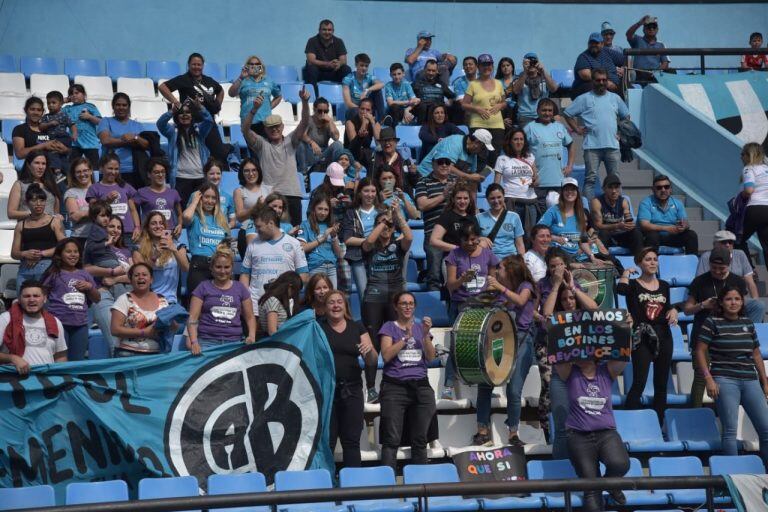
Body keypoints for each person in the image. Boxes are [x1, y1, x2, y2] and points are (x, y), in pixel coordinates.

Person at [695, 285, 768, 467]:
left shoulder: (748, 323)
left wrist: (764, 381)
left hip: (750, 380)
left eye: (737, 299)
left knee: (766, 429)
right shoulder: (712, 322)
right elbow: (700, 351)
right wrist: (709, 378)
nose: (733, 302)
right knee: (730, 431)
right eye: (729, 299)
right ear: (721, 302)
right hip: (725, 380)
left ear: (742, 301)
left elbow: (756, 354)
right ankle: (733, 474)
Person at [685, 247, 765, 407]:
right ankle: (695, 412)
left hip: (729, 335)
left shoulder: (737, 281)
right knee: (701, 375)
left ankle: (723, 409)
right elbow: (687, 310)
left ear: (729, 265)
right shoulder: (700, 282)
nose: (717, 272)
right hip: (703, 334)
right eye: (713, 268)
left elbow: (740, 307)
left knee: (729, 376)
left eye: (722, 269)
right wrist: (703, 305)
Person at [538, 248, 598, 457]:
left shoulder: (579, 300)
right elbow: (546, 314)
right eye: (552, 266)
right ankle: (561, 471)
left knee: (586, 425)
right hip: (560, 371)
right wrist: (556, 287)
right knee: (563, 426)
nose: (569, 301)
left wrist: (572, 287)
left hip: (583, 372)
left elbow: (596, 310)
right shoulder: (546, 290)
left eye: (559, 265)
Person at [472, 255, 536, 445]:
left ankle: (513, 433)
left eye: (500, 268)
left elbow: (521, 301)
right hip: (497, 341)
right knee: (485, 385)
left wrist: (500, 288)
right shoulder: (496, 290)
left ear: (510, 270)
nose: (496, 271)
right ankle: (482, 431)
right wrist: (487, 293)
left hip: (521, 341)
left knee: (514, 390)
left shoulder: (526, 286)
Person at [554, 356, 630, 512]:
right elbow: (557, 353)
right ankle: (610, 485)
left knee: (621, 464)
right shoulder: (570, 372)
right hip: (578, 437)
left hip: (606, 434)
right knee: (591, 490)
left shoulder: (607, 371)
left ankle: (611, 484)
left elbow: (624, 353)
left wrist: (627, 331)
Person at [617, 248, 677, 422]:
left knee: (661, 385)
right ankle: (631, 422)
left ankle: (658, 424)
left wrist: (673, 310)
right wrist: (626, 273)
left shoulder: (664, 285)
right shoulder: (633, 285)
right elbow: (621, 290)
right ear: (639, 263)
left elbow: (668, 307)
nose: (652, 262)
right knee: (639, 382)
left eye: (655, 259)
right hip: (642, 336)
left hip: (664, 335)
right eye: (648, 259)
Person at [379, 292, 436, 470]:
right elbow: (386, 355)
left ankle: (420, 484)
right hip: (395, 387)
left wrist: (426, 335)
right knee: (391, 439)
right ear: (396, 306)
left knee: (420, 439)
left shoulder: (421, 328)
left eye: (411, 303)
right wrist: (405, 338)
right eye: (403, 303)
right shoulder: (389, 327)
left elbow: (431, 356)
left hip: (420, 385)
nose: (407, 306)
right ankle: (387, 486)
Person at [320, 289, 377, 467]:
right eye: (331, 302)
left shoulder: (357, 327)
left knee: (351, 442)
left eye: (339, 302)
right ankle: (325, 488)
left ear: (345, 306)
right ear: (325, 306)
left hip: (352, 391)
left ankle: (354, 489)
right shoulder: (318, 327)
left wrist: (368, 352)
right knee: (327, 442)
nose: (336, 305)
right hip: (326, 393)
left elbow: (373, 359)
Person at [361, 208, 413, 402]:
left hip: (395, 299)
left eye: (389, 226)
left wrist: (397, 217)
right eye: (382, 224)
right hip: (373, 298)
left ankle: (396, 384)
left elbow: (409, 236)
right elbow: (367, 243)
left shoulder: (398, 245)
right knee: (372, 344)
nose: (386, 228)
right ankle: (371, 388)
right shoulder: (369, 246)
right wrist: (384, 221)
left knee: (398, 341)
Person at [444, 222, 500, 398]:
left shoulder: (488, 255)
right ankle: (448, 386)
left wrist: (490, 294)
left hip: (483, 306)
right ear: (460, 239)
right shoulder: (453, 256)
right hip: (461, 305)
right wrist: (462, 279)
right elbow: (450, 287)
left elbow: (493, 282)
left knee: (485, 347)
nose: (470, 243)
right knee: (457, 348)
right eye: (466, 240)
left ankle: (487, 386)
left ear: (479, 238)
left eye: (473, 239)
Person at [242, 87, 312, 226]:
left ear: (282, 126)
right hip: (270, 196)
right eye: (271, 127)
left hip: (292, 194)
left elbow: (304, 122)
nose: (274, 129)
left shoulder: (291, 141)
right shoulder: (261, 145)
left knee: (294, 233)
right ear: (265, 129)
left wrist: (304, 102)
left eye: (277, 126)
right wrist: (254, 110)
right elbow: (245, 129)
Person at [564, 68, 629, 200]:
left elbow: (626, 116)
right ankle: (588, 210)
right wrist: (577, 129)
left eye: (604, 80)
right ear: (593, 81)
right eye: (598, 80)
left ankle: (615, 209)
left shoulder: (615, 98)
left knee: (614, 180)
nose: (601, 82)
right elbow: (567, 113)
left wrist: (621, 133)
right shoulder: (584, 98)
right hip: (592, 147)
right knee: (590, 180)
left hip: (612, 145)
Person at [158, 53, 231, 163]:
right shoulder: (183, 79)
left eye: (199, 64)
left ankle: (229, 150)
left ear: (202, 66)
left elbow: (220, 90)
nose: (196, 67)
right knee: (193, 155)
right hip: (189, 123)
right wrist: (176, 102)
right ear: (188, 65)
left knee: (219, 153)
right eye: (194, 64)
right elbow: (162, 87)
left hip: (207, 122)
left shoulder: (209, 80)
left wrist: (217, 105)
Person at [240, 207, 308, 322]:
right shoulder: (253, 244)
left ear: (270, 224)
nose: (256, 231)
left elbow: (304, 276)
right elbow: (245, 275)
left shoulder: (294, 243)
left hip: (284, 310)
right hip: (256, 309)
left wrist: (285, 292)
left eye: (259, 227)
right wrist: (246, 298)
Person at [187, 243, 256, 352]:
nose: (223, 271)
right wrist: (194, 342)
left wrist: (251, 336)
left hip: (234, 342)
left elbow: (250, 317)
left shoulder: (240, 288)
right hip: (207, 342)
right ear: (211, 268)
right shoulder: (203, 287)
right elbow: (192, 318)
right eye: (218, 267)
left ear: (232, 267)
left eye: (226, 267)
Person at [84, 204, 132, 356]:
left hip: (124, 292)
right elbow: (86, 269)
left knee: (129, 343)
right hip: (102, 293)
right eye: (112, 226)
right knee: (115, 343)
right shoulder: (96, 244)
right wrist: (110, 271)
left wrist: (115, 279)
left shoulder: (126, 250)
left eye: (119, 227)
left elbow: (135, 276)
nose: (115, 230)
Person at [40, 238, 99, 361]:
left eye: (76, 251)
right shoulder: (53, 273)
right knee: (59, 361)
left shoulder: (85, 274)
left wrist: (90, 287)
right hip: (59, 324)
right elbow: (42, 295)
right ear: (60, 254)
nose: (73, 255)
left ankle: (74, 381)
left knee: (77, 361)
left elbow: (97, 298)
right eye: (68, 251)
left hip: (80, 325)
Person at [0, 280, 67, 373]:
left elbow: (60, 356)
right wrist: (13, 358)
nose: (32, 299)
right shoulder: (6, 318)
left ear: (44, 298)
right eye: (27, 296)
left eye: (36, 296)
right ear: (19, 299)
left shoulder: (55, 322)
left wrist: (61, 377)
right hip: (14, 379)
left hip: (47, 380)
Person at [11, 184, 66, 293]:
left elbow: (64, 246)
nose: (38, 204)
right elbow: (14, 253)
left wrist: (41, 254)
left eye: (42, 200)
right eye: (34, 200)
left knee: (46, 304)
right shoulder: (20, 225)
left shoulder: (54, 222)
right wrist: (25, 254)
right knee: (24, 303)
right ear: (27, 203)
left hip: (48, 267)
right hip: (25, 269)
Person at [156, 99, 214, 201]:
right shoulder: (172, 131)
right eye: (181, 113)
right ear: (177, 116)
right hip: (180, 177)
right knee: (182, 210)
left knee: (199, 210)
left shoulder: (199, 130)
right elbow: (160, 123)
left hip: (200, 176)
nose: (184, 115)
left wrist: (200, 107)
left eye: (188, 112)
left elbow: (209, 120)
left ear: (192, 115)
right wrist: (172, 111)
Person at [524, 99, 575, 213]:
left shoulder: (559, 127)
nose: (547, 113)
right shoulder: (530, 128)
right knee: (541, 215)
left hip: (558, 180)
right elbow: (522, 150)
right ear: (537, 111)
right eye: (544, 110)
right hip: (539, 182)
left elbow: (571, 144)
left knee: (558, 213)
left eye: (550, 110)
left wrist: (570, 165)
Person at [110, 262, 169, 357]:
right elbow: (115, 329)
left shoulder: (162, 300)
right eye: (136, 275)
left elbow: (170, 326)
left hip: (157, 355)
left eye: (144, 275)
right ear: (130, 280)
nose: (141, 277)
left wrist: (173, 326)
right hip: (128, 354)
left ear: (151, 280)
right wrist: (143, 333)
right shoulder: (124, 299)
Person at [182, 182, 230, 298]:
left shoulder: (222, 220)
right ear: (200, 198)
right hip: (199, 266)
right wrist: (195, 200)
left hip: (219, 267)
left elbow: (227, 244)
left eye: (214, 198)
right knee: (197, 307)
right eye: (206, 197)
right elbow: (186, 217)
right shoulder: (195, 217)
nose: (210, 201)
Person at [132, 211, 189, 305]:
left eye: (161, 223)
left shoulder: (177, 246)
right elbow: (141, 272)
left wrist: (173, 249)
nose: (158, 226)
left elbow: (185, 268)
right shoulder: (138, 249)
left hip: (171, 301)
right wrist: (155, 255)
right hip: (148, 299)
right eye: (153, 223)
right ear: (148, 227)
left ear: (165, 226)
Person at [415, 153, 454, 290]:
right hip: (433, 234)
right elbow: (422, 205)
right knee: (434, 276)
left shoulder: (457, 181)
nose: (444, 165)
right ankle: (436, 308)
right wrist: (444, 195)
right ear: (433, 164)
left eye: (447, 162)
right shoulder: (423, 182)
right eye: (440, 162)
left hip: (454, 234)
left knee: (457, 274)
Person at [539, 177, 601, 262]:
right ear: (562, 192)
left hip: (576, 257)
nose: (570, 192)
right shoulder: (553, 211)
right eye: (566, 189)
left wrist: (592, 257)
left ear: (577, 192)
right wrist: (554, 237)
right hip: (557, 257)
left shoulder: (580, 214)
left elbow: (583, 241)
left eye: (573, 189)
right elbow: (538, 231)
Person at [86, 153, 140, 248]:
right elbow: (93, 210)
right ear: (101, 168)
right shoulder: (94, 188)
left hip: (128, 232)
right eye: (110, 168)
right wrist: (106, 201)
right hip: (106, 233)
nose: (113, 172)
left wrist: (137, 227)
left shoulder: (125, 186)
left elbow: (133, 210)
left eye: (116, 169)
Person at [97, 93, 149, 187]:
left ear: (129, 107)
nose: (121, 107)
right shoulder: (105, 121)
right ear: (113, 106)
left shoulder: (138, 125)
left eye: (124, 105)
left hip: (135, 171)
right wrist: (126, 141)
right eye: (118, 104)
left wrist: (135, 137)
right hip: (110, 171)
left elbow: (146, 144)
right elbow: (105, 141)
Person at [342, 177, 382, 300]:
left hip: (379, 256)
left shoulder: (382, 210)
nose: (370, 195)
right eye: (366, 191)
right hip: (358, 255)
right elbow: (348, 239)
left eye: (373, 191)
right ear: (359, 193)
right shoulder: (351, 212)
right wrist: (368, 242)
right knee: (364, 295)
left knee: (380, 295)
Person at [637, 174, 698, 254]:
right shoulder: (646, 203)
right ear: (653, 189)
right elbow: (644, 225)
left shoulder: (677, 203)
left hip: (672, 236)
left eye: (666, 187)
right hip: (653, 236)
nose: (663, 190)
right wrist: (666, 228)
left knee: (691, 235)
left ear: (670, 189)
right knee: (653, 236)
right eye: (659, 188)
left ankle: (692, 264)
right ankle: (651, 264)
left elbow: (686, 223)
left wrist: (683, 226)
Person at [462, 54, 505, 165]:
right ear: (478, 67)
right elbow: (464, 104)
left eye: (489, 64)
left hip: (497, 126)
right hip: (478, 125)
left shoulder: (499, 83)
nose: (486, 67)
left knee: (494, 158)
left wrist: (500, 106)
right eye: (483, 65)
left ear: (492, 66)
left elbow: (504, 102)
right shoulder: (473, 84)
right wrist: (477, 109)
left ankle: (491, 182)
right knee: (479, 158)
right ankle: (478, 181)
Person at [494, 128, 539, 231]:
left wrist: (535, 182)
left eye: (521, 139)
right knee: (512, 233)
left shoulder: (530, 157)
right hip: (511, 201)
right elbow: (496, 184)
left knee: (530, 235)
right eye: (515, 139)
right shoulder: (502, 159)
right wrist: (500, 201)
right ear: (509, 141)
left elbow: (536, 178)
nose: (519, 142)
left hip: (530, 202)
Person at [228, 55, 282, 136]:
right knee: (253, 148)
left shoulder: (269, 80)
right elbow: (231, 93)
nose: (254, 66)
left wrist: (269, 107)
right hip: (248, 122)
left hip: (266, 122)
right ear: (247, 66)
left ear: (261, 66)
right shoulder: (243, 80)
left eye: (257, 64)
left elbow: (278, 96)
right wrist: (241, 77)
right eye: (251, 64)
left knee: (266, 148)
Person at [590, 174, 643, 255]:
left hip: (619, 235)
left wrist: (629, 225)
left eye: (616, 187)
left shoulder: (623, 201)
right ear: (604, 189)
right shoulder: (597, 202)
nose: (614, 191)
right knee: (602, 233)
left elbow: (628, 219)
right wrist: (617, 226)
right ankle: (603, 261)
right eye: (610, 187)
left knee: (636, 232)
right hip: (604, 235)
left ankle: (640, 259)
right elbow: (598, 225)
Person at [697, 230, 759, 300]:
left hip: (737, 298)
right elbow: (700, 282)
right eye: (723, 242)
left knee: (758, 306)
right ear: (714, 244)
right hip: (715, 297)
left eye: (730, 242)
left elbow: (750, 282)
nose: (727, 245)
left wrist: (755, 300)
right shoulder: (706, 257)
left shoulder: (740, 254)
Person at [298, 195, 344, 287]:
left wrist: (334, 236)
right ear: (313, 209)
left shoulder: (330, 225)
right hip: (315, 266)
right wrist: (322, 238)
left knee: (331, 299)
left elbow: (340, 254)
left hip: (331, 267)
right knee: (316, 298)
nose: (323, 213)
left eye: (326, 209)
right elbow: (301, 248)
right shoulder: (305, 224)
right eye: (320, 209)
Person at [11, 96, 65, 172]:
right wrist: (44, 145)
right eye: (32, 109)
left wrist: (62, 148)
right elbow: (20, 154)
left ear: (42, 112)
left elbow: (66, 150)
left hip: (52, 173)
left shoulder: (49, 128)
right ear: (25, 110)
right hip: (31, 173)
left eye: (39, 110)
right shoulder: (20, 129)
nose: (36, 113)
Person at [134, 157, 183, 236]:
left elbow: (180, 214)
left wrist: (180, 224)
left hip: (169, 235)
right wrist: (137, 226)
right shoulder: (141, 192)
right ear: (149, 174)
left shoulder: (173, 192)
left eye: (163, 172)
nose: (160, 175)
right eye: (156, 172)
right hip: (149, 235)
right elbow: (132, 209)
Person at [429, 181, 481, 255]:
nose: (462, 201)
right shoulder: (446, 216)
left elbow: (477, 239)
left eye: (465, 198)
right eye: (459, 198)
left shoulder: (472, 218)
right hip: (452, 259)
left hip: (470, 259)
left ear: (469, 200)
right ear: (453, 199)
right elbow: (433, 241)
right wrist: (458, 249)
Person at [417, 132, 492, 182]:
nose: (483, 151)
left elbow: (472, 179)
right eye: (483, 148)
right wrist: (469, 177)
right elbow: (446, 168)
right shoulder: (454, 143)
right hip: (425, 177)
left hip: (445, 182)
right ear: (477, 142)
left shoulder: (474, 153)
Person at [8, 150, 61, 220]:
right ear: (28, 165)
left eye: (43, 164)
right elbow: (11, 213)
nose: (41, 167)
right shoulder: (19, 185)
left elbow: (56, 212)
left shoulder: (51, 185)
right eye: (37, 163)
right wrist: (33, 213)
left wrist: (58, 217)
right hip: (28, 227)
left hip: (50, 228)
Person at [477, 183, 526, 259]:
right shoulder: (479, 218)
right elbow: (472, 240)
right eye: (492, 198)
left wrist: (522, 262)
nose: (496, 201)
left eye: (499, 197)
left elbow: (519, 244)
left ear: (504, 197)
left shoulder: (514, 217)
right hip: (488, 260)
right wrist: (480, 239)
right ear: (487, 199)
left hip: (511, 261)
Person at [739, 143, 768, 268]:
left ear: (748, 155)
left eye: (742, 154)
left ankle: (750, 271)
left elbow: (749, 190)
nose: (741, 157)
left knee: (736, 239)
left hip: (756, 209)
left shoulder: (749, 169)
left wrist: (741, 196)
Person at [512, 53, 559, 127]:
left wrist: (543, 71)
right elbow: (515, 91)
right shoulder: (519, 78)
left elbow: (554, 89)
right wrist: (525, 71)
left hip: (543, 115)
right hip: (525, 116)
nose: (531, 64)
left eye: (534, 62)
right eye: (529, 62)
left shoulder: (545, 77)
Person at [297, 97, 342, 174]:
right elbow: (301, 134)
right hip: (309, 153)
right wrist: (312, 142)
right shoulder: (308, 119)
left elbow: (336, 138)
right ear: (314, 109)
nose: (323, 114)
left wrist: (330, 122)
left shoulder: (328, 122)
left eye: (325, 111)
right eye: (320, 111)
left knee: (338, 144)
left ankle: (335, 171)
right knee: (299, 143)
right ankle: (304, 173)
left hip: (323, 153)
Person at [303, 19, 352, 88]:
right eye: (324, 29)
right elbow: (310, 61)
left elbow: (344, 60)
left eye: (329, 30)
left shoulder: (339, 41)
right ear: (319, 30)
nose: (327, 32)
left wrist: (339, 63)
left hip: (334, 72)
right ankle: (314, 97)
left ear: (333, 31)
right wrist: (328, 64)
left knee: (346, 69)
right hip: (318, 73)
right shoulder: (312, 41)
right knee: (311, 69)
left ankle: (346, 96)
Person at [570, 33, 621, 98]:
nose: (593, 45)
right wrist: (607, 83)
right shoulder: (583, 57)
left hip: (614, 90)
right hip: (590, 91)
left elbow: (625, 58)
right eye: (591, 43)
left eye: (596, 43)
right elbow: (585, 75)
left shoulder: (608, 52)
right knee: (592, 85)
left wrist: (623, 68)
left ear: (602, 44)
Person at [63, 83, 102, 168]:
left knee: (94, 168)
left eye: (77, 93)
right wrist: (64, 100)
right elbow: (55, 109)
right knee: (72, 168)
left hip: (90, 143)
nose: (74, 95)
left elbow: (100, 122)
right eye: (71, 94)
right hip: (74, 144)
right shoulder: (67, 108)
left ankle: (95, 182)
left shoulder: (90, 106)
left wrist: (90, 117)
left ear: (84, 95)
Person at [373, 127, 419, 195]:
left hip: (403, 200)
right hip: (381, 200)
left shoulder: (406, 161)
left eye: (389, 140)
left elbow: (417, 185)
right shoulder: (373, 159)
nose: (387, 143)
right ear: (380, 143)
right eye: (384, 140)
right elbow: (355, 151)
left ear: (396, 142)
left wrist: (414, 174)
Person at [626, 15, 670, 84]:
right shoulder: (637, 40)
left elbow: (665, 63)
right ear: (644, 30)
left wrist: (656, 72)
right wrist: (639, 23)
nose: (651, 29)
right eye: (649, 27)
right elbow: (628, 34)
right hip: (638, 77)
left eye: (654, 27)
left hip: (654, 78)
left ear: (657, 30)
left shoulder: (661, 45)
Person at [258, 271, 303, 337]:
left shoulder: (275, 300)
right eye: (295, 291)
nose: (294, 295)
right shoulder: (272, 300)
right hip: (275, 343)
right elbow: (272, 331)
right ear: (289, 287)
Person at [233, 157, 272, 234]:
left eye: (254, 170)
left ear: (258, 171)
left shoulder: (269, 190)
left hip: (268, 228)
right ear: (242, 173)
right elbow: (240, 217)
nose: (251, 174)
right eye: (246, 171)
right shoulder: (239, 191)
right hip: (248, 229)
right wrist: (255, 207)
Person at [39, 90, 75, 173]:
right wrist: (49, 124)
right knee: (54, 152)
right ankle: (60, 171)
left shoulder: (64, 115)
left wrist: (74, 133)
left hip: (63, 137)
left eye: (53, 103)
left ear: (61, 104)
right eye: (48, 103)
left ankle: (61, 172)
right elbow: (41, 127)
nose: (50, 105)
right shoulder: (46, 117)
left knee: (61, 153)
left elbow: (72, 125)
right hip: (51, 138)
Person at [412, 59, 456, 124]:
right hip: (424, 112)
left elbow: (452, 96)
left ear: (437, 71)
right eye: (429, 70)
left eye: (433, 71)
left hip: (439, 112)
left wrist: (450, 101)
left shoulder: (441, 84)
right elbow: (409, 96)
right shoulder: (417, 84)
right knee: (422, 107)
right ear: (424, 70)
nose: (431, 73)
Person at [342, 53, 384, 119]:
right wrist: (362, 111)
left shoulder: (369, 77)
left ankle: (382, 119)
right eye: (361, 65)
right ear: (356, 65)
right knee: (354, 111)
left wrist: (368, 90)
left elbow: (381, 84)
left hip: (367, 110)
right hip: (354, 109)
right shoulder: (348, 79)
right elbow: (348, 103)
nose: (364, 68)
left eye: (366, 66)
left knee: (378, 90)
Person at [64, 157, 94, 246]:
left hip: (99, 236)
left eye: (85, 170)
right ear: (74, 174)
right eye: (78, 172)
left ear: (91, 171)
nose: (82, 174)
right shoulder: (71, 192)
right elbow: (75, 217)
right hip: (80, 237)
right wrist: (97, 211)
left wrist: (83, 214)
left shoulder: (99, 189)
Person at [344, 97, 380, 167]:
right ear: (358, 109)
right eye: (362, 109)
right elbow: (355, 145)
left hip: (366, 153)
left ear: (371, 111)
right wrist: (364, 123)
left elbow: (378, 143)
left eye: (368, 110)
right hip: (351, 153)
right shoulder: (350, 123)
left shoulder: (375, 123)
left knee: (378, 152)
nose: (364, 112)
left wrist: (372, 123)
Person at [201, 158, 236, 228]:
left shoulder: (228, 197)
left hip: (222, 236)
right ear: (205, 175)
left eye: (218, 173)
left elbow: (232, 222)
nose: (215, 177)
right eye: (211, 174)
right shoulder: (197, 195)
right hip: (203, 235)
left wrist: (225, 228)